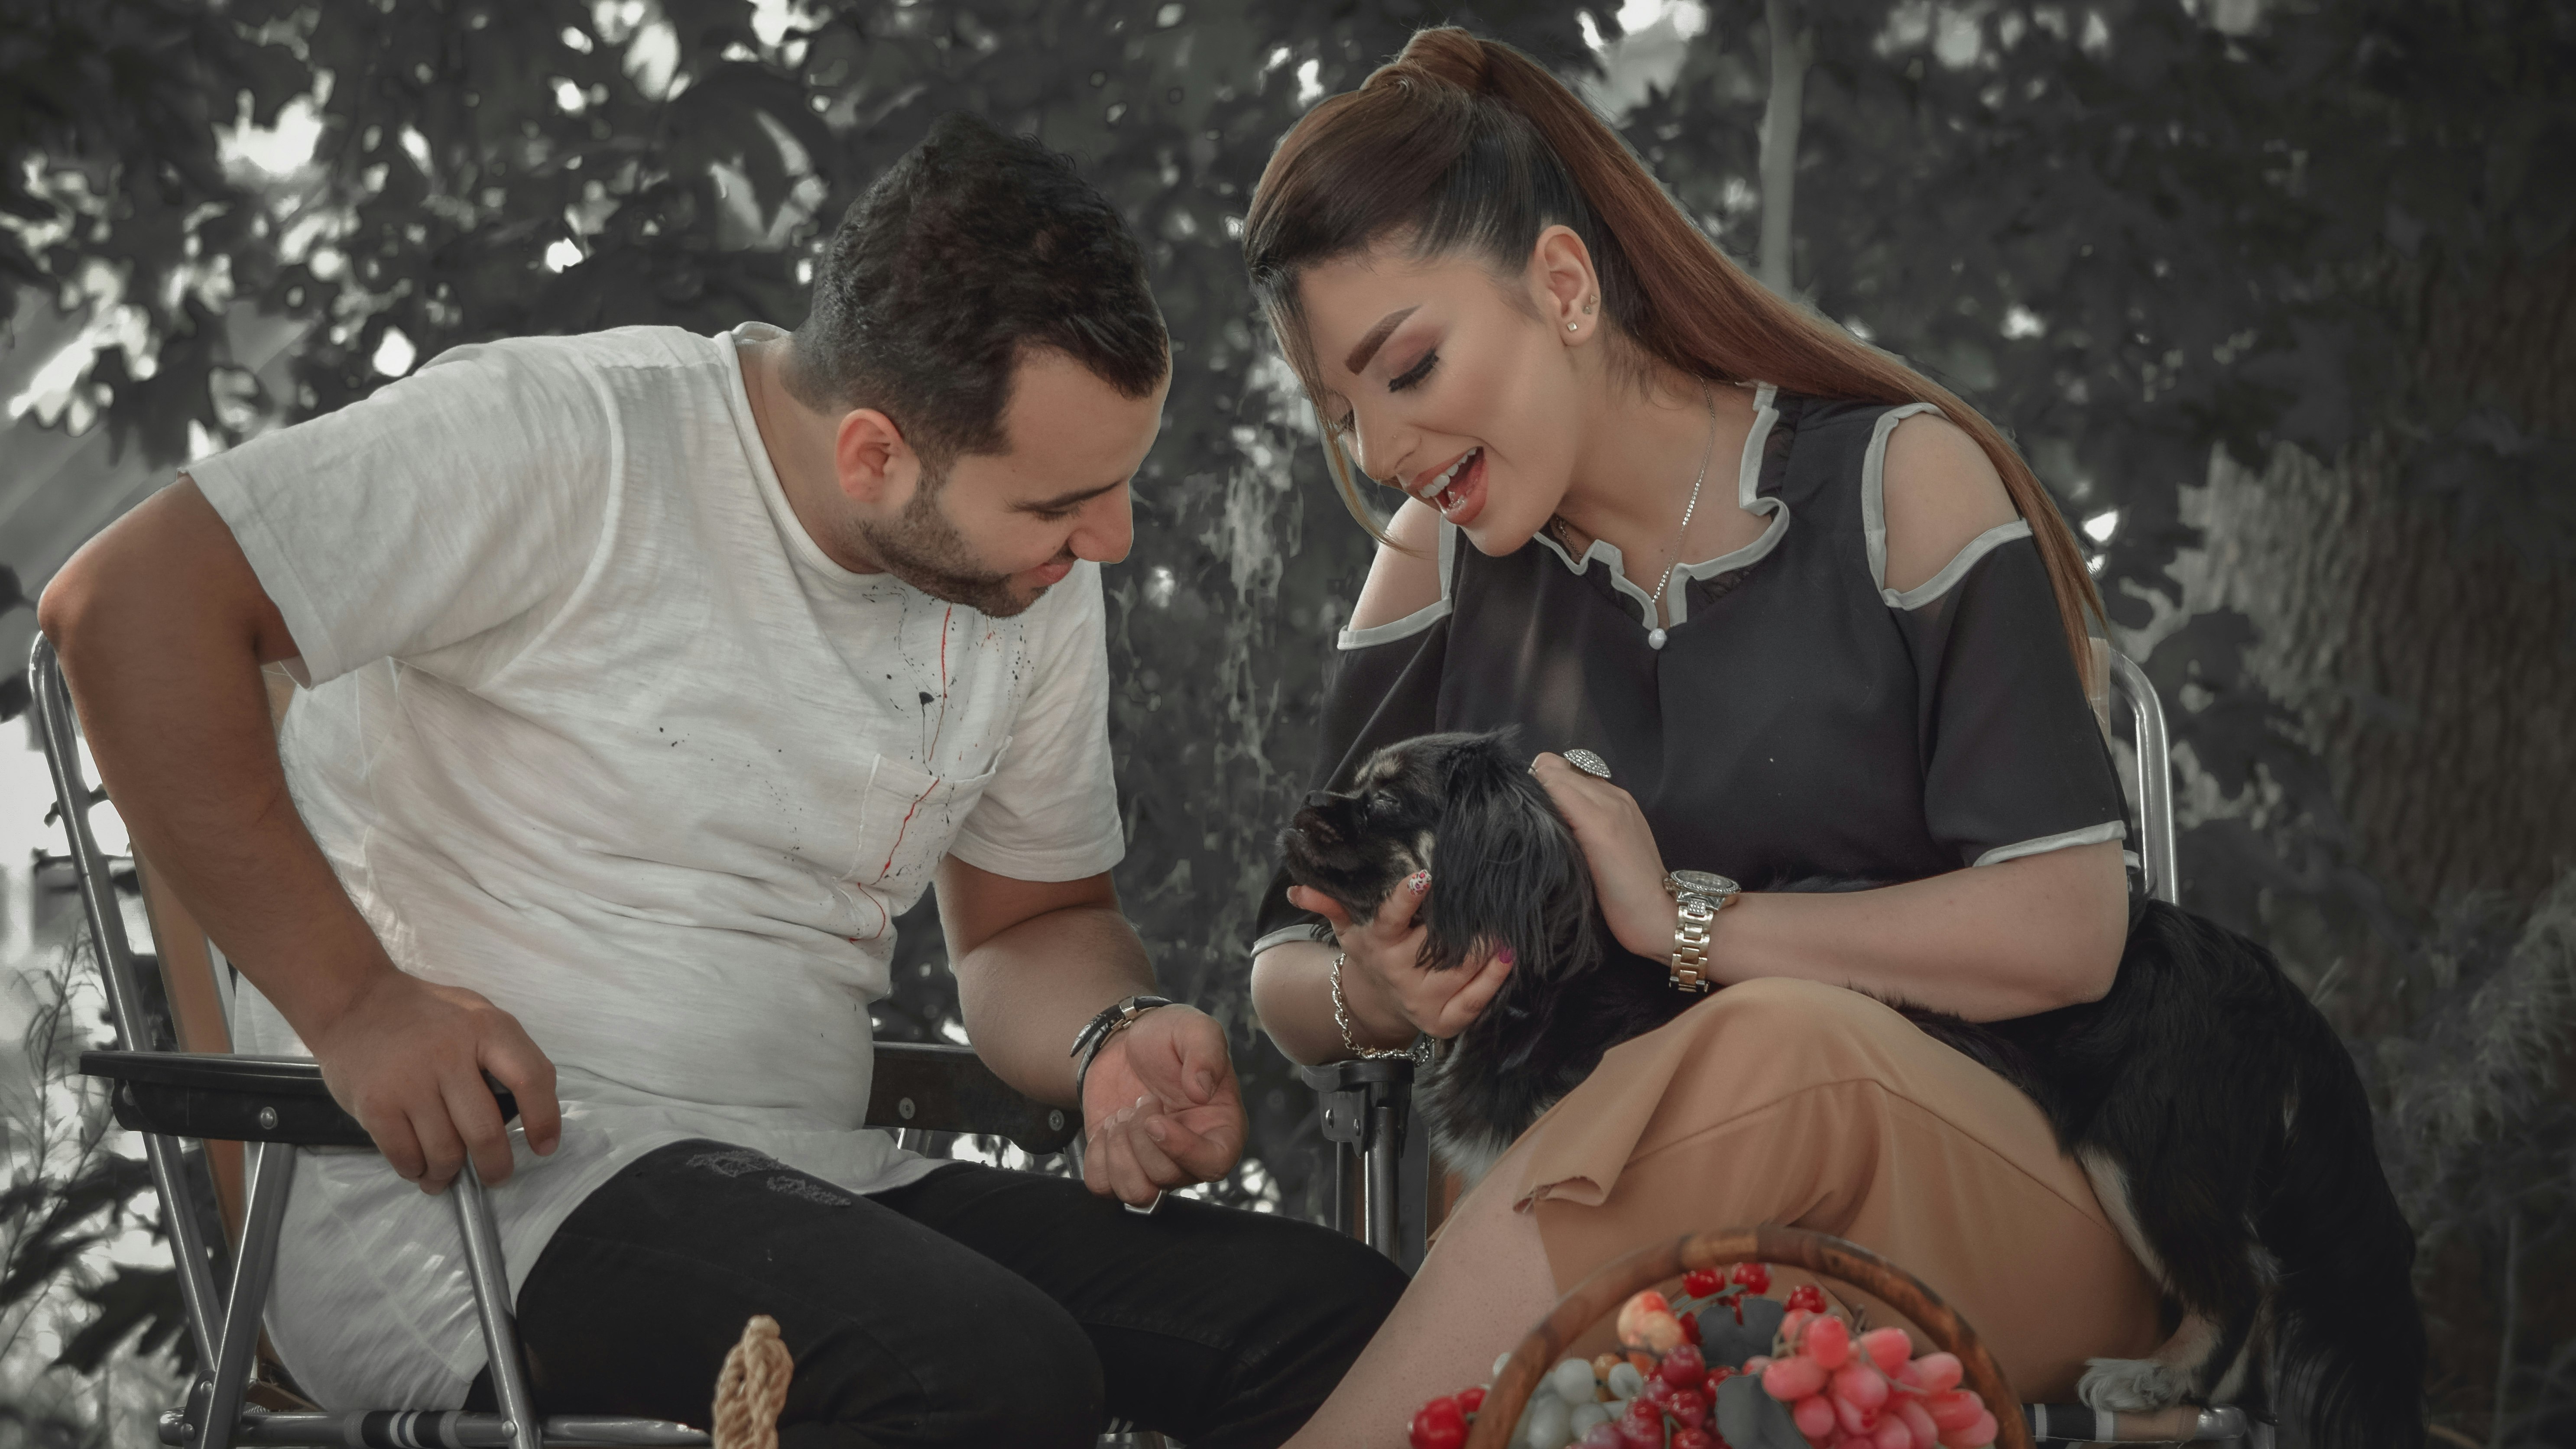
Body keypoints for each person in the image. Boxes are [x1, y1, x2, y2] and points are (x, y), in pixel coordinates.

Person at [41, 113, 1402, 1448]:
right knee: (979, 1377)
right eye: (1057, 504)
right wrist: (353, 1004)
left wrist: (1109, 1035)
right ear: (873, 450)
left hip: (824, 1189)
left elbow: (1032, 928)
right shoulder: (570, 436)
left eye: (1115, 488)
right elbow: (124, 606)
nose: (1103, 540)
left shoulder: (1026, 577)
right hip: (473, 1207)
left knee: (1342, 1325)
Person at [1239, 29, 2165, 1444]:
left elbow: (2066, 924)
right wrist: (1378, 991)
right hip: (1645, 1283)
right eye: (1341, 410)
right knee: (1612, 1106)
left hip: (1999, 1208)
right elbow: (1280, 966)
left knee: (1776, 1044)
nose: (1379, 449)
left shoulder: (1893, 481)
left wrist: (1690, 927)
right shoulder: (1436, 562)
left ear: (1561, 284)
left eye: (1407, 367)